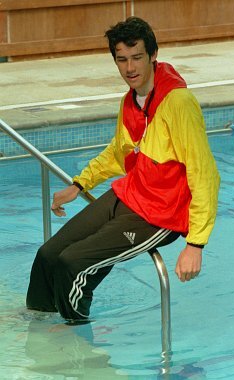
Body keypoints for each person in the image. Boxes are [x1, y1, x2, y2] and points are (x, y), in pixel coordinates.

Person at [26, 17, 220, 322]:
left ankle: (73, 340)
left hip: (161, 215)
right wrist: (79, 185)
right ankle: (34, 323)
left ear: (154, 55)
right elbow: (119, 152)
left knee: (72, 263)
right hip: (131, 195)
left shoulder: (179, 104)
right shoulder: (129, 101)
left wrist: (196, 243)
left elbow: (204, 173)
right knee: (48, 256)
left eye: (137, 57)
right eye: (122, 59)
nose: (130, 68)